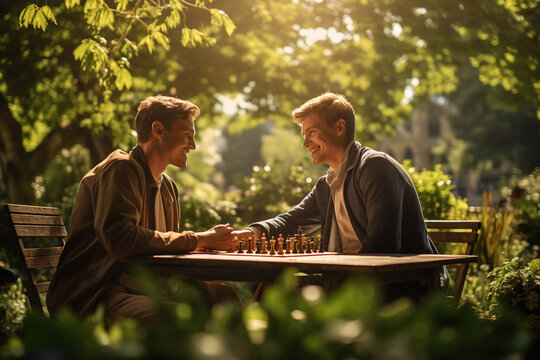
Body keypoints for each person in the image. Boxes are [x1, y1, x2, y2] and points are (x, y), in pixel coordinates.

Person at [235, 92, 446, 301]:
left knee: (278, 292)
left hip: (399, 289)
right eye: (304, 135)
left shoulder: (375, 167)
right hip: (353, 284)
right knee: (272, 290)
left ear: (339, 128)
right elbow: (291, 221)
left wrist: (322, 282)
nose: (305, 143)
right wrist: (248, 234)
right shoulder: (327, 186)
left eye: (312, 132)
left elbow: (382, 246)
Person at [47, 95, 239, 322]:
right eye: (187, 136)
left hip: (146, 289)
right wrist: (198, 239)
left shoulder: (168, 186)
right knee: (174, 318)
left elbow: (162, 248)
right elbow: (121, 239)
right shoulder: (121, 169)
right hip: (97, 294)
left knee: (225, 297)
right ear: (159, 130)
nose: (193, 146)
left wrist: (206, 244)